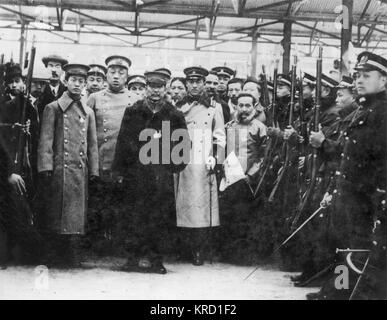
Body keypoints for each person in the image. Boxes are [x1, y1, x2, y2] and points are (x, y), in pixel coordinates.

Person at [308, 52, 387, 300]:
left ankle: (347, 293)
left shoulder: (382, 113)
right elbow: (349, 153)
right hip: (351, 193)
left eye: (366, 76)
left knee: (361, 250)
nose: (359, 80)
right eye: (357, 76)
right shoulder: (364, 109)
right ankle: (338, 291)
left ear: (384, 80)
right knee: (346, 247)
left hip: (368, 196)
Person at [112, 70, 189, 274]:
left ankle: (156, 260)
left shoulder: (174, 114)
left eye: (160, 87)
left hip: (160, 175)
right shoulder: (133, 111)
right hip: (135, 175)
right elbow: (122, 141)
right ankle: (132, 258)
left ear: (166, 88)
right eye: (152, 86)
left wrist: (172, 167)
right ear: (146, 88)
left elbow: (182, 145)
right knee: (134, 216)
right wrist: (120, 170)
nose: (155, 91)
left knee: (159, 218)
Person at [38, 63, 99, 267]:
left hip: (80, 170)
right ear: (66, 81)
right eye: (73, 80)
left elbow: (92, 144)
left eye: (81, 81)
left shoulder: (88, 112)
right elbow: (45, 141)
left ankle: (72, 254)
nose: (77, 85)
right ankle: (55, 254)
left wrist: (94, 170)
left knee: (76, 215)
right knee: (57, 213)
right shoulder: (53, 108)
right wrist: (46, 167)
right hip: (59, 170)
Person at [174, 66, 226, 266]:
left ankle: (198, 250)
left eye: (198, 82)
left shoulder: (214, 108)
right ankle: (183, 249)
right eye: (191, 82)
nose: (194, 85)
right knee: (182, 205)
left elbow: (220, 136)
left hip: (202, 160)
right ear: (186, 84)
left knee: (200, 207)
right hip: (180, 158)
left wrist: (216, 157)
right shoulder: (177, 106)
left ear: (204, 84)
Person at [86, 55, 132, 246]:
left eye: (120, 73)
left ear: (126, 77)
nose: (115, 77)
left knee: (121, 205)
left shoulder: (134, 99)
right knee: (98, 204)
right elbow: (86, 129)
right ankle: (96, 242)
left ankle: (118, 243)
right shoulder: (94, 98)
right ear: (106, 75)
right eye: (112, 72)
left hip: (124, 162)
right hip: (100, 159)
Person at [0, 62, 42, 266]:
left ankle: (22, 251)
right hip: (7, 161)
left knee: (23, 204)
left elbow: (36, 130)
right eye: (12, 82)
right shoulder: (3, 105)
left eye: (18, 81)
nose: (15, 85)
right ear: (6, 85)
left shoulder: (29, 105)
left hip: (24, 159)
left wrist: (27, 130)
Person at [220, 92, 267, 263]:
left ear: (255, 107)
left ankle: (245, 256)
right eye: (241, 105)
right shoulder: (229, 126)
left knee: (247, 217)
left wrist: (251, 174)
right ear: (236, 107)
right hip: (230, 179)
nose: (244, 109)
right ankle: (228, 254)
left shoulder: (260, 128)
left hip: (249, 181)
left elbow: (265, 156)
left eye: (248, 105)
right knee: (230, 215)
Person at [36, 54, 68, 124]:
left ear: (63, 71)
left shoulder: (67, 91)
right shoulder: (39, 91)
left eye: (57, 66)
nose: (53, 70)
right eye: (50, 66)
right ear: (46, 68)